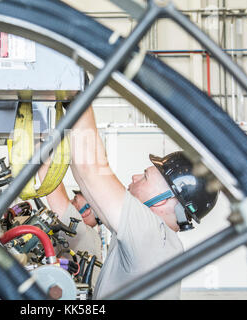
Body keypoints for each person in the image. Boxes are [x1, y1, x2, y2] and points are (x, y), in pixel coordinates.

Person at [65, 106, 219, 300]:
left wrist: (78, 101)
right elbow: (86, 180)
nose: (135, 176)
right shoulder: (160, 242)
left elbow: (91, 168)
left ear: (165, 200)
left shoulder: (151, 235)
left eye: (145, 177)